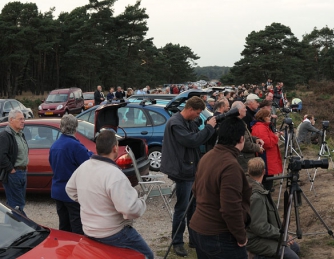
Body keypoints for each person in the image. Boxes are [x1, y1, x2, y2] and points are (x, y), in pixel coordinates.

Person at [65, 130, 153, 259]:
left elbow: (70, 189)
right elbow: (130, 209)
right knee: (147, 255)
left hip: (89, 230)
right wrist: (141, 203)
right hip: (113, 232)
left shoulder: (84, 167)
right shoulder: (114, 175)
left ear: (97, 147)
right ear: (115, 148)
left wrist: (89, 201)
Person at [160, 96, 216, 257]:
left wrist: (209, 124)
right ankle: (177, 242)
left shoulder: (187, 121)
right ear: (190, 109)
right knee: (182, 208)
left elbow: (198, 136)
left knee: (194, 207)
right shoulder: (176, 123)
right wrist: (209, 128)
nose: (198, 116)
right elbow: (192, 140)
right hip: (182, 171)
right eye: (198, 113)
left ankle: (193, 238)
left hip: (190, 168)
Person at [190, 117, 252, 259]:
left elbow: (195, 190)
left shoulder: (208, 156)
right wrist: (241, 237)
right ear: (241, 139)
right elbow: (230, 209)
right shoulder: (230, 166)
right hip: (218, 234)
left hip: (199, 228)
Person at [246, 157, 300, 259]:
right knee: (292, 257)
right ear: (264, 171)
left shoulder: (253, 186)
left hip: (260, 236)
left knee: (294, 248)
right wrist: (282, 235)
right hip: (254, 240)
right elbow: (259, 227)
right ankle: (255, 256)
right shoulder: (256, 196)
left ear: (248, 171)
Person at [49, 114, 93, 235]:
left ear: (61, 126)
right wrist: (90, 153)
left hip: (58, 190)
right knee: (77, 226)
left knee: (64, 225)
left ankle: (64, 250)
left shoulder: (55, 145)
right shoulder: (75, 146)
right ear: (75, 127)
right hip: (72, 192)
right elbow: (88, 164)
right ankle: (77, 251)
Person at [0, 109, 29, 216]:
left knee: (16, 204)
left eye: (23, 119)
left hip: (22, 172)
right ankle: (24, 226)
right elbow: (1, 156)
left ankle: (13, 228)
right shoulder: (5, 136)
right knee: (17, 204)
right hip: (14, 174)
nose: (23, 121)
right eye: (20, 119)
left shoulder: (20, 134)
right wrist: (11, 170)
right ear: (11, 120)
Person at [251, 109, 283, 191]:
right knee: (266, 182)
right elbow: (267, 143)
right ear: (263, 117)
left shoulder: (264, 126)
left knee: (268, 181)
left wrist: (275, 135)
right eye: (268, 116)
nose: (270, 118)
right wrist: (276, 137)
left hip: (268, 158)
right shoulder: (260, 127)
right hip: (266, 158)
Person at [231, 101, 264, 173]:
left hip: (244, 159)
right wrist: (258, 148)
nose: (246, 109)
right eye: (244, 108)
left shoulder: (239, 121)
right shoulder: (237, 124)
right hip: (243, 161)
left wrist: (255, 139)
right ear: (238, 110)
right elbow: (245, 144)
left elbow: (246, 137)